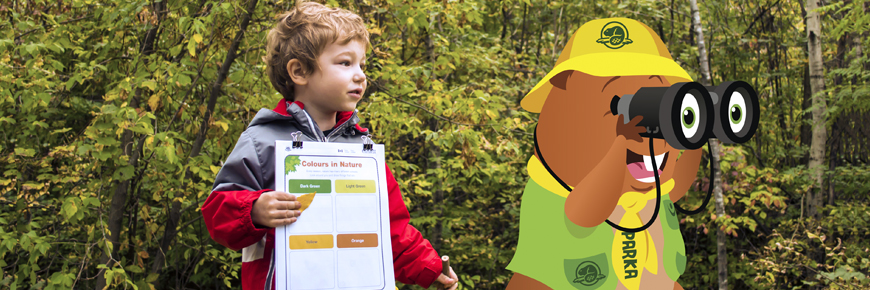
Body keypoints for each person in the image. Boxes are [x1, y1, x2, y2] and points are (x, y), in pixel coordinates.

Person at [201, 3, 459, 290]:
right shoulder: (262, 141)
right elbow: (217, 214)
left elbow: (392, 227)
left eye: (361, 64)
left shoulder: (364, 150)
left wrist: (430, 267)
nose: (360, 74)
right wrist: (254, 211)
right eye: (345, 63)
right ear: (300, 71)